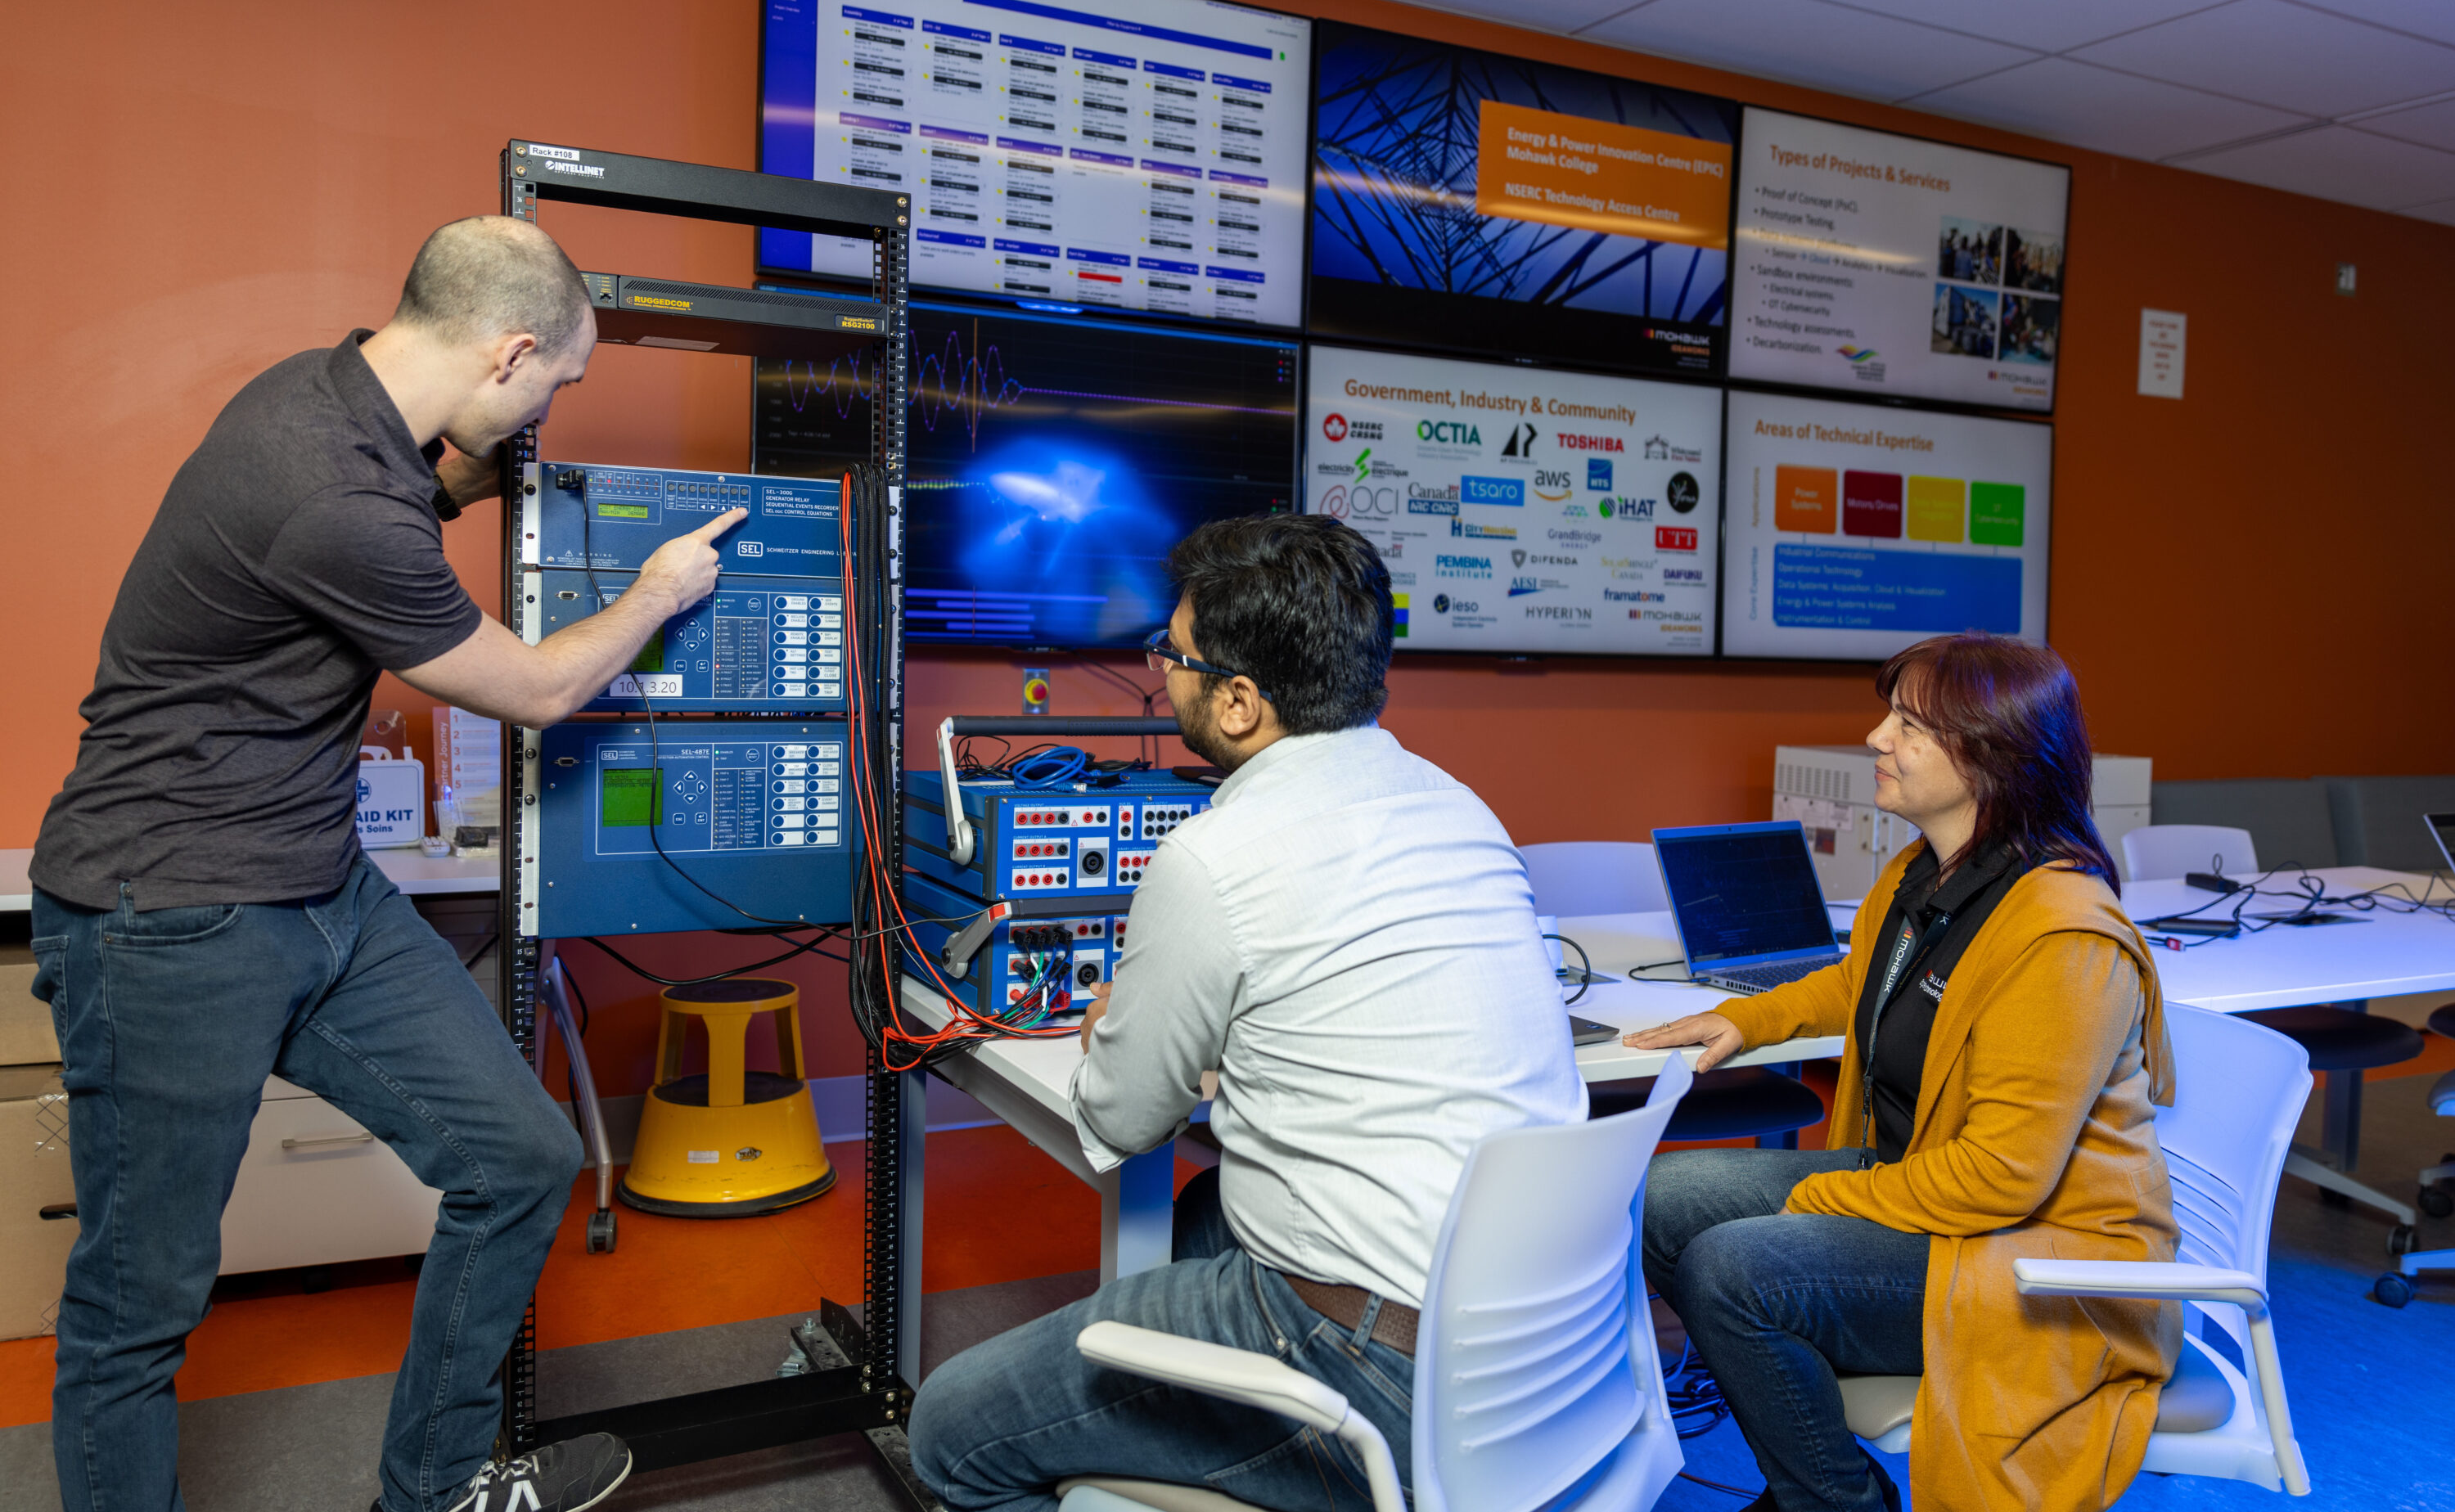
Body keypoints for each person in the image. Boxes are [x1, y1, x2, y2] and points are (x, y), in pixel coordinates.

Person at [28, 217, 746, 1512]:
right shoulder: (328, 487)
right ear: (512, 352)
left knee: (522, 1157)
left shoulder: (329, 394)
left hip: (318, 887)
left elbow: (426, 488)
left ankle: (432, 1489)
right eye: (555, 388)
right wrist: (655, 592)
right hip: (169, 912)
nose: (548, 420)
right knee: (137, 1308)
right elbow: (531, 690)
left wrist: (489, 481)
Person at [908, 515, 1584, 1511]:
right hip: (1548, 1339)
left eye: (1171, 655)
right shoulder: (1458, 807)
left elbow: (1122, 1117)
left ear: (1235, 702)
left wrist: (1122, 1032)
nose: (1160, 670)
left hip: (1384, 1375)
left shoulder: (1214, 857)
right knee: (1201, 1218)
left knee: (949, 1433)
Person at [1628, 632, 2176, 1512]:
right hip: (1926, 1184)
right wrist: (1746, 1016)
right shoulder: (1926, 875)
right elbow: (1863, 978)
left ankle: (1830, 1500)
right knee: (1655, 1202)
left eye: (1910, 724)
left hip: (2035, 1254)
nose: (1878, 739)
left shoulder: (2063, 935)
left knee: (1731, 1268)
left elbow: (2001, 1179)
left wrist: (1808, 1203)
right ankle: (1818, 1474)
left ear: (1991, 755)